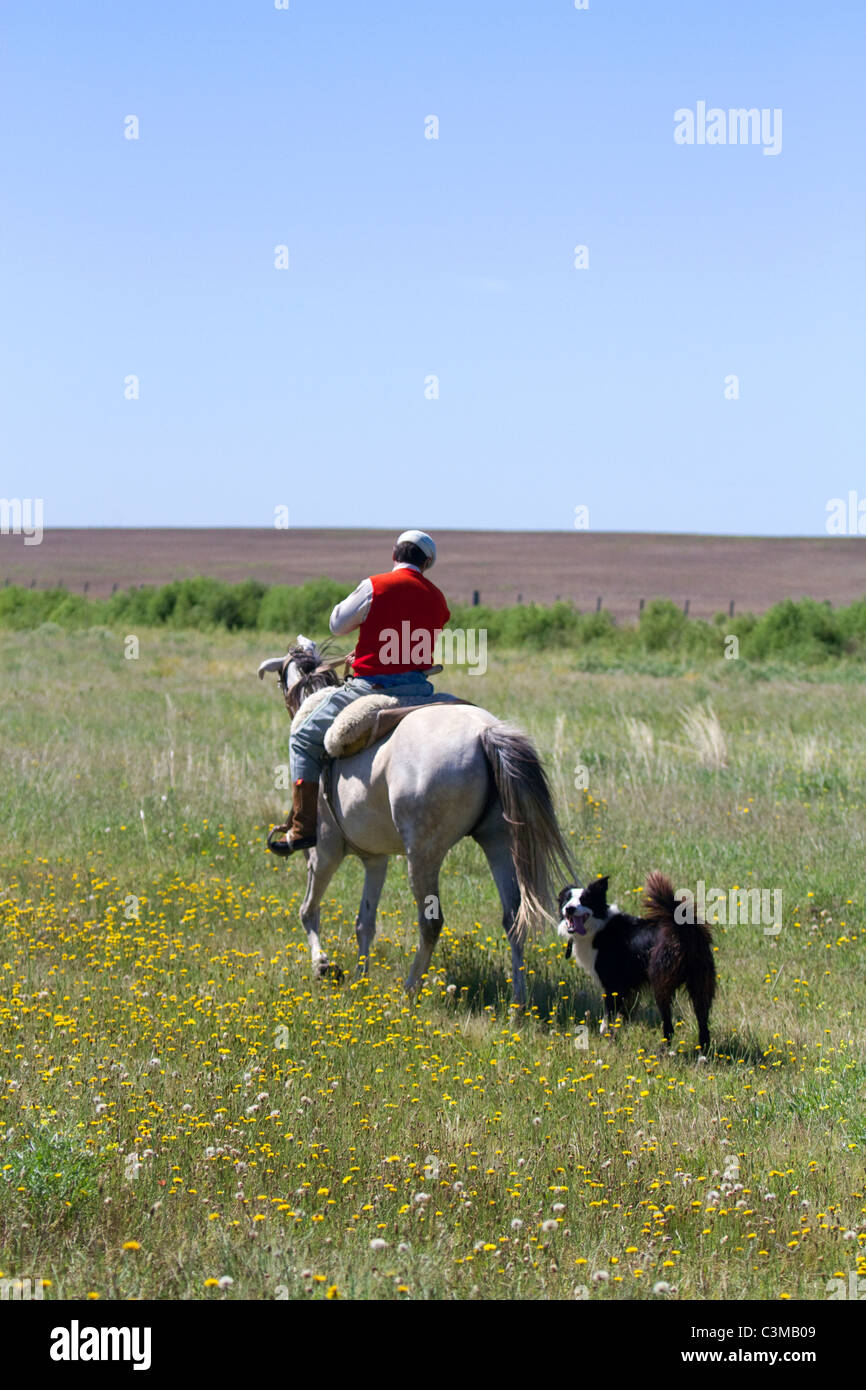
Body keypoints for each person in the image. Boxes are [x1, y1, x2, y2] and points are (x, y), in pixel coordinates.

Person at [278, 529, 450, 852]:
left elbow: (336, 624)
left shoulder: (375, 585)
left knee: (301, 733)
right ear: (426, 563)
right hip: (420, 690)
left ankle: (302, 827)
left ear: (395, 555)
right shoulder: (438, 599)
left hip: (371, 688)